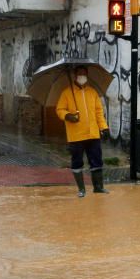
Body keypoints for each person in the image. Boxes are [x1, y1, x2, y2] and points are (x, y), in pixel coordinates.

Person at [56, 66, 110, 197]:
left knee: (97, 161)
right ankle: (81, 189)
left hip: (93, 134)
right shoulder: (67, 93)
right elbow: (60, 109)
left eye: (84, 74)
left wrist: (104, 127)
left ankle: (98, 187)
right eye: (80, 74)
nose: (82, 77)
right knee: (77, 162)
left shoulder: (93, 92)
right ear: (75, 76)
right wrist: (68, 116)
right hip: (76, 136)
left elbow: (99, 112)